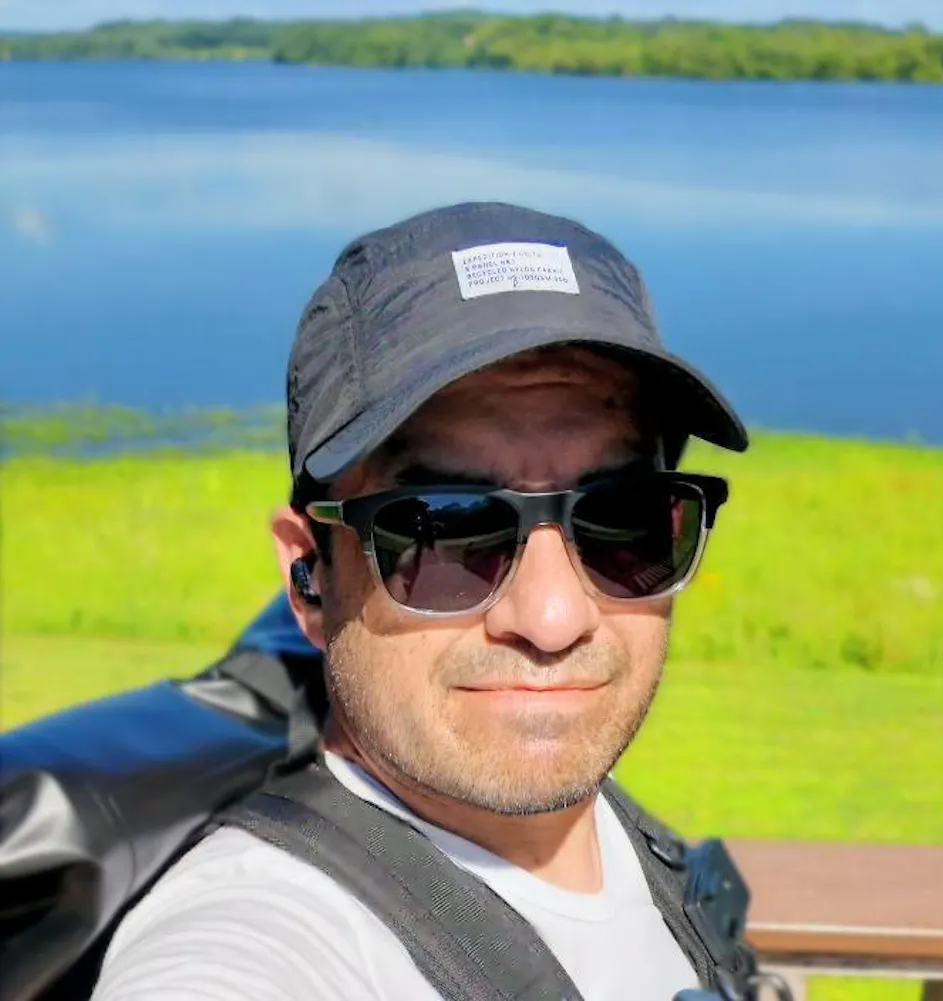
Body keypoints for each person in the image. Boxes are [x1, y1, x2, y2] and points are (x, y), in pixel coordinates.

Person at [90, 201, 749, 1001]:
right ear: (309, 576)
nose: (553, 618)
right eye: (447, 530)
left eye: (624, 521)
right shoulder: (262, 933)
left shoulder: (640, 858)